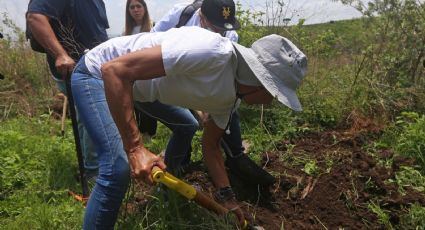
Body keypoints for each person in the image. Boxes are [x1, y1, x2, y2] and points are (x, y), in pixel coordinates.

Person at [71, 26, 307, 229]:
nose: (272, 101)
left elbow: (212, 147)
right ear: (261, 82)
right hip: (97, 74)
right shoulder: (212, 52)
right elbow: (114, 70)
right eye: (275, 94)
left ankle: (164, 191)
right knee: (117, 169)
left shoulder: (230, 101)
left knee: (186, 124)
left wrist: (228, 198)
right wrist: (135, 149)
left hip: (137, 89)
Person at [149, 0, 275, 185]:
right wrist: (198, 109)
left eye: (222, 29)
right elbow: (153, 41)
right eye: (214, 27)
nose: (218, 33)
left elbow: (221, 80)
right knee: (186, 124)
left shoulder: (230, 36)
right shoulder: (182, 14)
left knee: (229, 106)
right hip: (164, 74)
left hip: (200, 79)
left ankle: (235, 155)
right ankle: (174, 172)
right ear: (202, 16)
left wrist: (211, 107)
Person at [26, 0, 109, 185]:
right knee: (92, 118)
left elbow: (98, 32)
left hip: (97, 67)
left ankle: (94, 167)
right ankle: (95, 174)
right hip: (75, 68)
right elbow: (35, 17)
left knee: (87, 118)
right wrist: (61, 54)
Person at [123, 0, 158, 142]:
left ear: (144, 8)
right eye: (132, 7)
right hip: (133, 74)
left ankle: (150, 135)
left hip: (151, 72)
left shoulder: (154, 27)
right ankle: (142, 137)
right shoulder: (126, 32)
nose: (136, 10)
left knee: (151, 106)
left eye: (139, 6)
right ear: (128, 11)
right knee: (137, 107)